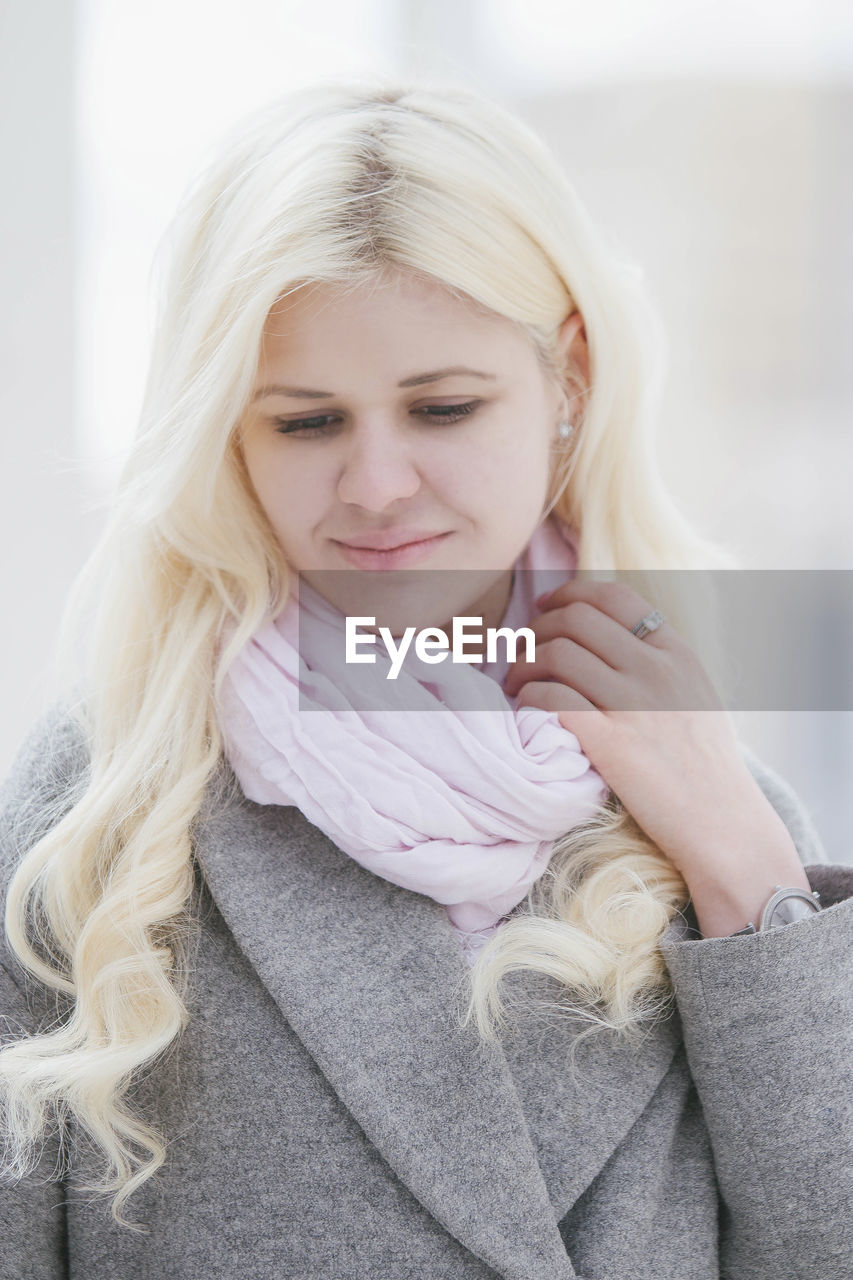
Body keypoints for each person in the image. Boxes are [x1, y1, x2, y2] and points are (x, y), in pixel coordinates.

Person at [1, 78, 851, 1280]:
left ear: (569, 380)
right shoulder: (102, 803)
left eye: (442, 407)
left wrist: (744, 862)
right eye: (305, 423)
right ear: (225, 435)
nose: (379, 485)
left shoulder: (705, 793)